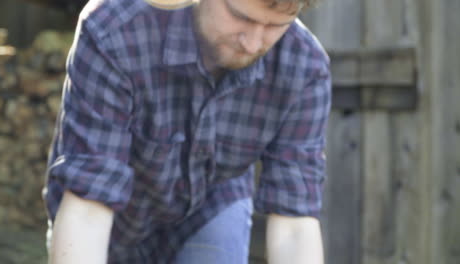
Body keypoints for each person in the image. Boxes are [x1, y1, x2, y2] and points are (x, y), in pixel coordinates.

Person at [43, 0, 331, 263]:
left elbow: (295, 226)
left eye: (275, 26)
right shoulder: (115, 30)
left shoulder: (306, 67)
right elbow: (87, 209)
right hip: (111, 218)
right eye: (239, 17)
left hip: (213, 204)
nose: (253, 43)